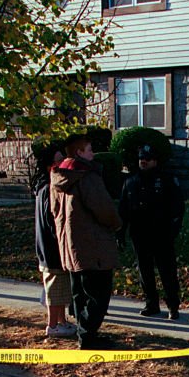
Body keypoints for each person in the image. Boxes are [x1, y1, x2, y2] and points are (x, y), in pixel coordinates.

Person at [50, 134, 122, 350]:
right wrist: (116, 224)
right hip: (93, 245)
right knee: (98, 293)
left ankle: (85, 334)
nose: (93, 154)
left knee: (79, 292)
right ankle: (89, 335)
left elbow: (54, 211)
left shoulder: (57, 178)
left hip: (70, 246)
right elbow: (103, 209)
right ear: (79, 153)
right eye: (90, 149)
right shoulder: (86, 176)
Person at [118, 143, 185, 320]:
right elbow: (123, 209)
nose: (144, 162)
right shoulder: (131, 182)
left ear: (155, 161)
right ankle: (151, 304)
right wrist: (121, 232)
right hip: (139, 234)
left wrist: (173, 230)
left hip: (162, 233)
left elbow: (178, 207)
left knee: (167, 271)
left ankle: (173, 306)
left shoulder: (167, 180)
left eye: (147, 159)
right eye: (141, 159)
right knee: (145, 270)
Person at [34, 144, 76, 339]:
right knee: (54, 290)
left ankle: (61, 321)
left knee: (60, 291)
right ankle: (53, 325)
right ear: (51, 166)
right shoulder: (48, 189)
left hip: (49, 248)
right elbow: (51, 220)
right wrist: (61, 241)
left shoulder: (45, 187)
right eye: (59, 161)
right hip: (51, 249)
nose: (63, 165)